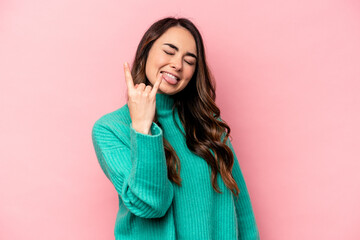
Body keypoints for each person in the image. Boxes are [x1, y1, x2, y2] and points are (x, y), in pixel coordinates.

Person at [91, 17, 260, 240]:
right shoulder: (110, 129)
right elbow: (151, 205)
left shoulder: (209, 127)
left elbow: (243, 213)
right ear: (146, 51)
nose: (177, 65)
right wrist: (142, 128)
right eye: (169, 51)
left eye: (189, 61)